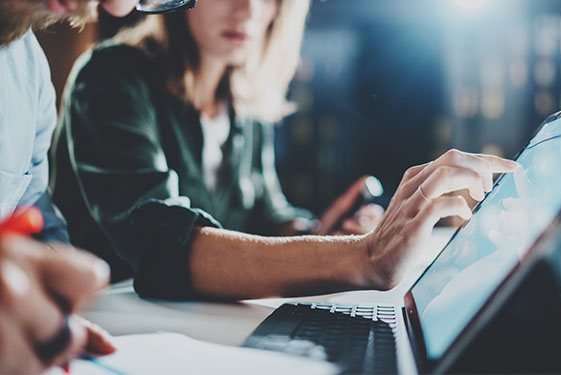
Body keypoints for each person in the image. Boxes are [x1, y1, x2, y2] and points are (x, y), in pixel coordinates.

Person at [52, 0, 519, 301]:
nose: (249, 10)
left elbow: (267, 215)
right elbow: (158, 244)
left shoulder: (242, 103)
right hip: (108, 332)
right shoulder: (110, 76)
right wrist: (361, 256)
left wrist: (320, 232)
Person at [0, 0, 137, 372]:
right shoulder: (111, 78)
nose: (119, 6)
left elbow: (35, 215)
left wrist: (50, 310)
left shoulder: (27, 70)